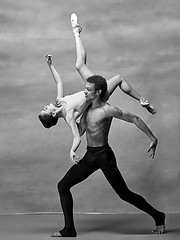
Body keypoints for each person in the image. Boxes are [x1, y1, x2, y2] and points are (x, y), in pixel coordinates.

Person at [50, 75, 165, 238]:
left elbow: (135, 118)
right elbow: (80, 131)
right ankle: (69, 229)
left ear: (98, 92)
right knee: (63, 186)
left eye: (88, 89)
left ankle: (158, 216)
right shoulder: (85, 109)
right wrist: (62, 115)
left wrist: (153, 138)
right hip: (90, 156)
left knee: (124, 194)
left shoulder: (107, 110)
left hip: (104, 157)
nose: (85, 91)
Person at [39, 13, 156, 163]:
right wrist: (72, 150)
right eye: (44, 109)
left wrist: (50, 65)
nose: (44, 106)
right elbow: (77, 136)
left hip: (91, 88)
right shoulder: (69, 117)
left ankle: (76, 32)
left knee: (80, 65)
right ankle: (141, 100)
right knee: (115, 77)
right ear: (52, 115)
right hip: (98, 94)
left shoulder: (59, 101)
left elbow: (59, 83)